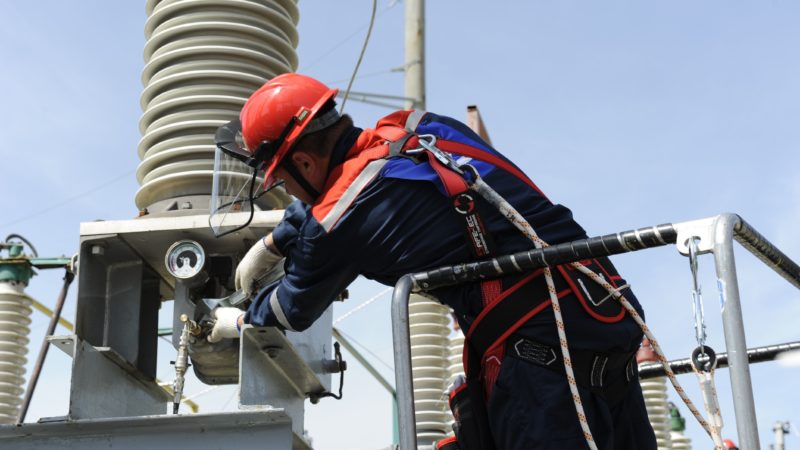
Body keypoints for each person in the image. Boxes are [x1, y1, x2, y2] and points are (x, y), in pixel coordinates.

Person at [208, 73, 657, 450]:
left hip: (541, 360)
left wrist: (242, 318)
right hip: (605, 318)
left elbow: (293, 308)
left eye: (283, 180)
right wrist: (276, 240)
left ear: (304, 163)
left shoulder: (338, 221)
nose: (284, 190)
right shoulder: (419, 127)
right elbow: (356, 175)